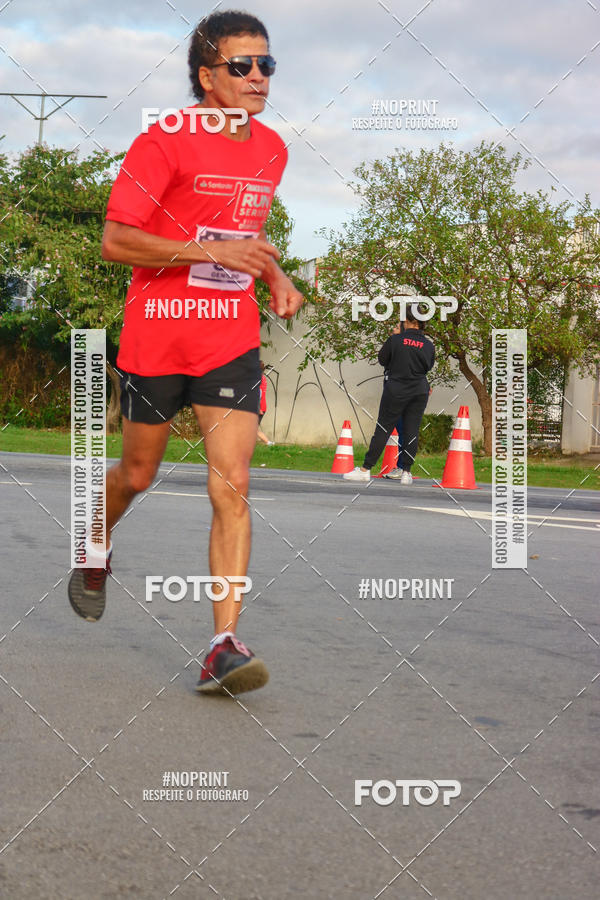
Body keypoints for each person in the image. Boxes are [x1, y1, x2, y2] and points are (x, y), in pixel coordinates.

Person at [68, 10, 303, 696]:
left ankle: (222, 645)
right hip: (159, 333)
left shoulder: (272, 151)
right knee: (137, 476)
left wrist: (275, 275)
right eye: (242, 66)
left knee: (232, 483)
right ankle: (94, 542)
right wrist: (212, 251)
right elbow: (116, 241)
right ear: (207, 76)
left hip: (228, 337)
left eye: (267, 65)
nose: (258, 77)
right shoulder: (162, 143)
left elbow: (241, 239)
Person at [344, 307, 434, 484]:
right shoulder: (429, 345)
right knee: (411, 431)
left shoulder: (396, 340)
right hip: (419, 390)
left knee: (383, 429)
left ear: (408, 321)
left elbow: (383, 360)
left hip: (397, 388)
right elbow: (428, 367)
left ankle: (365, 469)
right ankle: (406, 472)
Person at [256, 361, 274, 445]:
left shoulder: (258, 379)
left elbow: (258, 393)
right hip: (262, 406)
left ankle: (269, 443)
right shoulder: (263, 377)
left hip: (259, 407)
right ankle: (269, 443)